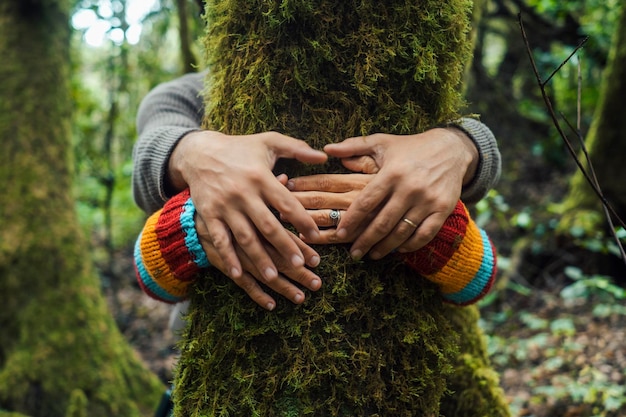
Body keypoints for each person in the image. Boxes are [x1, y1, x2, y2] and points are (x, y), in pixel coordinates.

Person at [132, 70, 501, 313]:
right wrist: (195, 155)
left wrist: (460, 146)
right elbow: (154, 146)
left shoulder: (420, 79)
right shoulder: (183, 95)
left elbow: (477, 279)